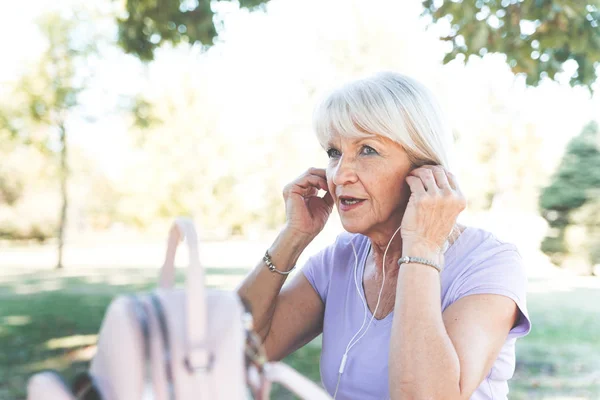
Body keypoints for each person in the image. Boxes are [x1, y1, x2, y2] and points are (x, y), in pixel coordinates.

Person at [237, 72, 531, 400]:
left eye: (367, 150)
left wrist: (422, 246)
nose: (340, 174)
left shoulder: (490, 262)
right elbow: (238, 351)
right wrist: (293, 237)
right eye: (334, 152)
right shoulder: (341, 259)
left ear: (425, 168)